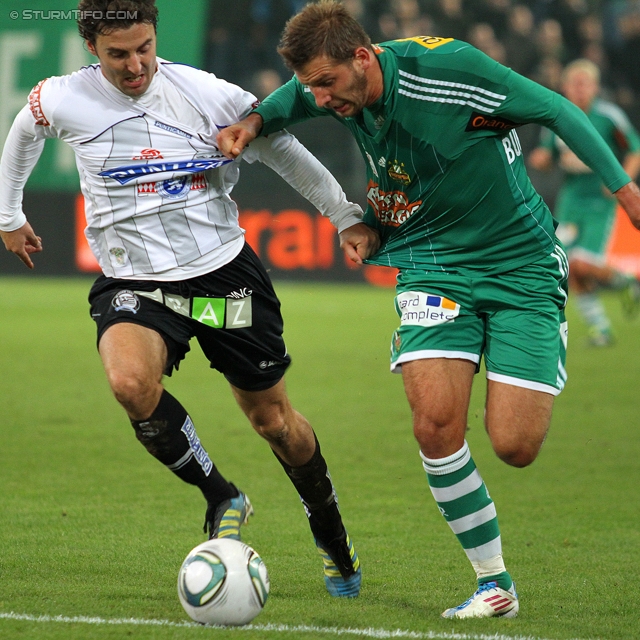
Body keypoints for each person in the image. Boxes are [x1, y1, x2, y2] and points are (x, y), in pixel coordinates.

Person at [217, 0, 640, 619]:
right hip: (431, 262)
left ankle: (563, 324)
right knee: (434, 425)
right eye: (313, 86)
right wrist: (252, 124)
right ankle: (493, 584)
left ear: (362, 57)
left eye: (328, 84)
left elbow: (553, 109)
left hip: (519, 263)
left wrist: (624, 190)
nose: (321, 99)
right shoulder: (330, 85)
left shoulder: (451, 70)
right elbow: (287, 101)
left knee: (515, 445)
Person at [0, 0, 368, 598]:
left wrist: (344, 216)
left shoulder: (207, 94)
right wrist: (8, 213)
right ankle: (221, 494)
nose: (135, 64)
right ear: (92, 46)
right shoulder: (64, 97)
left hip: (224, 281)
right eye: (118, 53)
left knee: (274, 422)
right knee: (129, 385)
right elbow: (23, 130)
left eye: (143, 48)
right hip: (135, 284)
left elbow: (283, 152)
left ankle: (330, 531)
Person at [529, 59, 640, 346]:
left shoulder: (607, 115)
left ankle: (628, 281)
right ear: (565, 87)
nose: (580, 89)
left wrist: (621, 181)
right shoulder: (554, 116)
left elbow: (634, 149)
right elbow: (548, 154)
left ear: (594, 86)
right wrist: (542, 159)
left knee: (583, 264)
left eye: (585, 83)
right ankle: (600, 329)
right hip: (571, 199)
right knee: (566, 266)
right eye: (574, 84)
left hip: (599, 201)